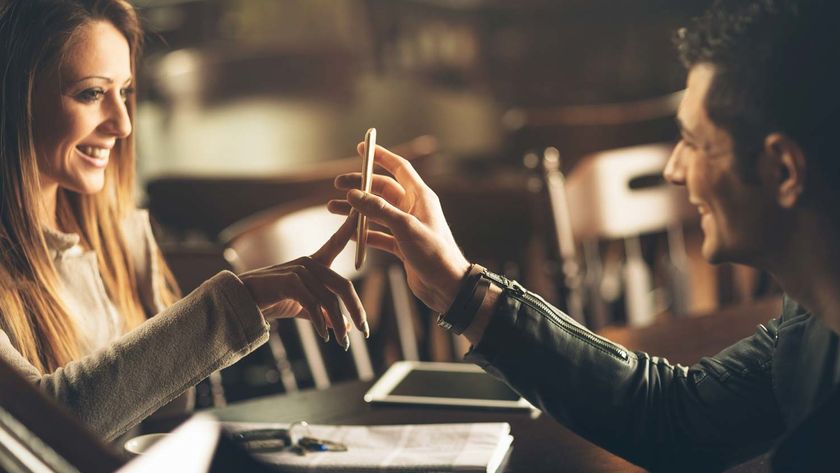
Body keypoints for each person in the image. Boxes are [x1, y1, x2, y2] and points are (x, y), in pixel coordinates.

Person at [328, 0, 840, 470]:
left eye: (692, 141)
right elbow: (678, 418)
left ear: (782, 171)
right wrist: (459, 289)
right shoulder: (812, 317)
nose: (675, 170)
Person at [0, 0, 367, 442]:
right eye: (91, 93)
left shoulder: (121, 237)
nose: (123, 124)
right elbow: (40, 426)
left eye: (125, 92)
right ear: (15, 100)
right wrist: (237, 305)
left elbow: (162, 418)